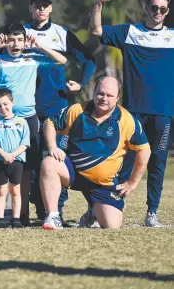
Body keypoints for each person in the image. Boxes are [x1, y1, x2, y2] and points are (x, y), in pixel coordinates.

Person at [89, 0, 174, 227]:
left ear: (167, 12)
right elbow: (96, 30)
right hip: (132, 112)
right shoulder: (130, 32)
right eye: (154, 7)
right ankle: (100, 210)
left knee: (157, 161)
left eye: (163, 9)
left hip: (163, 113)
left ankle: (152, 213)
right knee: (119, 161)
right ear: (146, 7)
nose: (158, 12)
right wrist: (99, 4)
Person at [0, 23, 67, 226]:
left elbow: (62, 60)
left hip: (26, 120)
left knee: (26, 168)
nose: (15, 44)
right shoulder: (0, 60)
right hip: (2, 122)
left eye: (19, 40)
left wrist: (39, 47)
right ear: (6, 41)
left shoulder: (33, 59)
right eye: (11, 40)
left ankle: (23, 214)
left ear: (25, 41)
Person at [40, 76, 150, 230]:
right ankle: (52, 216)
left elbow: (144, 149)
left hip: (103, 183)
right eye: (100, 93)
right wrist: (52, 146)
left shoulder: (127, 120)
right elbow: (50, 123)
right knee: (49, 163)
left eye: (109, 95)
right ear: (94, 92)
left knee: (112, 225)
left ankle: (93, 212)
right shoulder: (77, 110)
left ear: (118, 97)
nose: (104, 98)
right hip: (73, 173)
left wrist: (132, 183)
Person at [24, 0, 96, 220]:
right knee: (31, 161)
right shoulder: (20, 33)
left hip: (57, 108)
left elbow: (88, 61)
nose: (41, 9)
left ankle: (57, 211)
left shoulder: (61, 33)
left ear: (51, 8)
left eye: (45, 5)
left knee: (57, 158)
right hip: (27, 107)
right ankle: (37, 210)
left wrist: (81, 84)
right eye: (37, 4)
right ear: (31, 8)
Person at [0, 88, 30, 228]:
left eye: (5, 104)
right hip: (1, 162)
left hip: (16, 162)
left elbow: (25, 143)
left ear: (12, 102)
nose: (2, 108)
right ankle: (0, 218)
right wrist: (4, 155)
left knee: (15, 190)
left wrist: (12, 155)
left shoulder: (22, 122)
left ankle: (16, 218)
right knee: (1, 191)